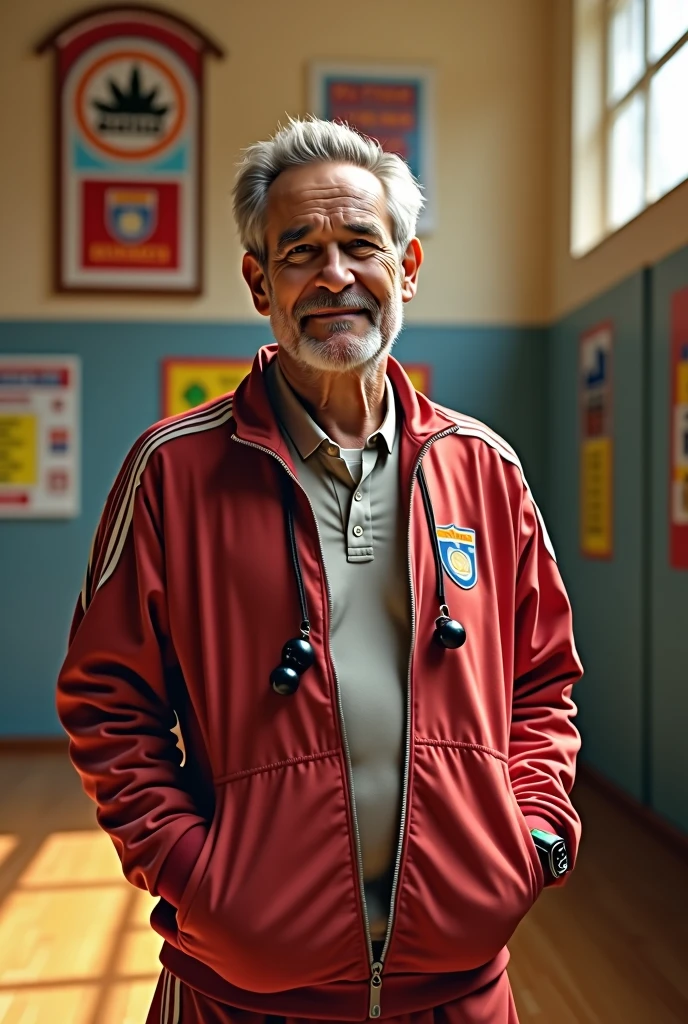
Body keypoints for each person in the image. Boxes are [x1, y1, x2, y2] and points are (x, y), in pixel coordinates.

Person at [56, 117, 583, 1024]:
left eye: (360, 246)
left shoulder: (484, 469)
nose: (333, 275)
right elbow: (107, 705)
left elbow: (542, 683)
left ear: (406, 268)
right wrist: (197, 878)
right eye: (299, 251)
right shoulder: (173, 471)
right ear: (260, 282)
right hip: (241, 991)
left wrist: (530, 839)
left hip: (457, 987)